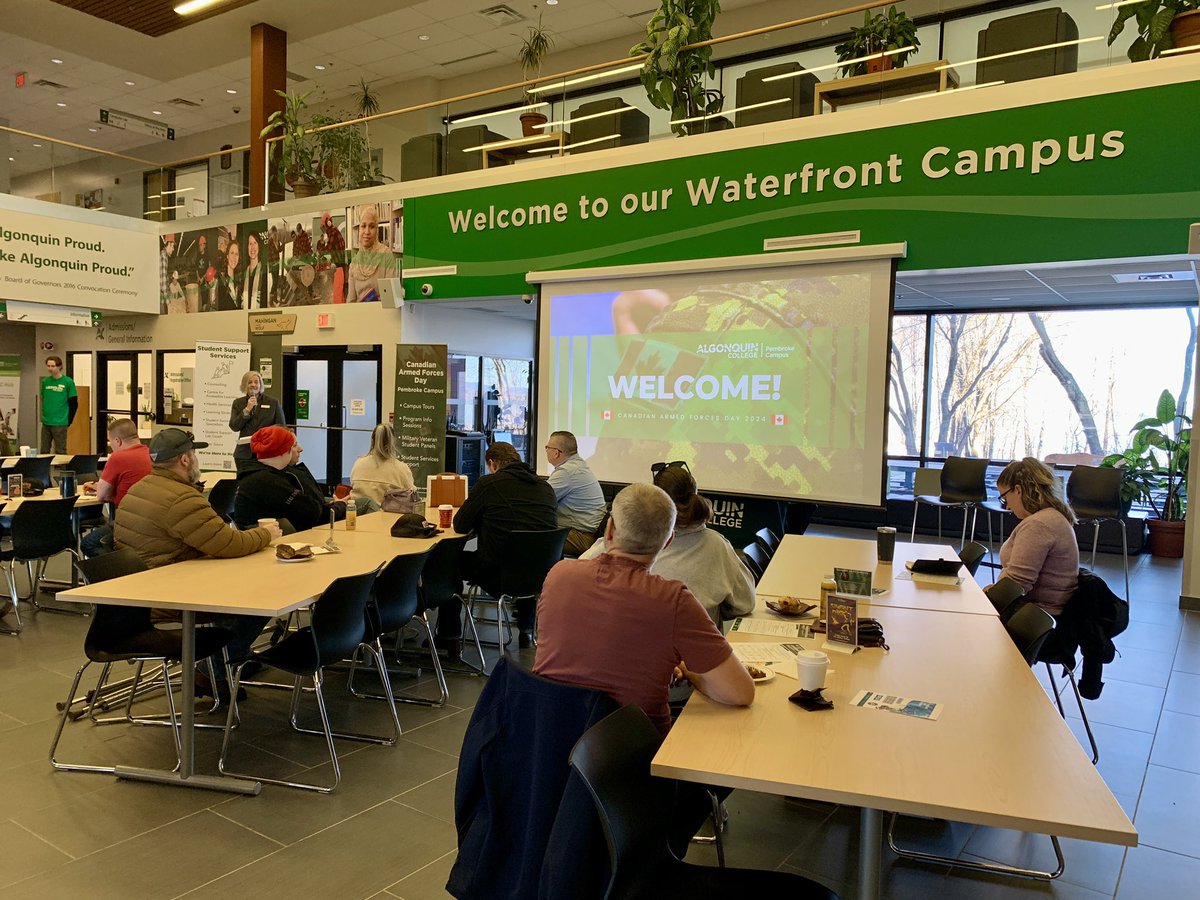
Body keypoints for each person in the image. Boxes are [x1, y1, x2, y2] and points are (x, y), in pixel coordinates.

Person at [535, 483, 753, 855]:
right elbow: (739, 692)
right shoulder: (673, 600)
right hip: (637, 773)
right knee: (733, 739)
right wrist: (690, 670)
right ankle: (663, 848)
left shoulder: (558, 576)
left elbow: (584, 653)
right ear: (667, 543)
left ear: (608, 532)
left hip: (548, 752)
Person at [115, 428, 281, 698]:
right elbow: (228, 543)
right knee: (258, 601)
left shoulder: (138, 489)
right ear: (184, 460)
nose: (196, 459)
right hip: (169, 596)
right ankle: (213, 669)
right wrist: (266, 534)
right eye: (194, 454)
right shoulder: (183, 498)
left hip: (140, 591)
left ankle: (226, 660)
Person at [582, 464, 754, 626]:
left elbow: (580, 577)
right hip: (694, 651)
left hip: (624, 644)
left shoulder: (625, 540)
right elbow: (745, 603)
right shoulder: (717, 546)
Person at [450, 441, 556, 650]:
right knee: (527, 554)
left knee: (449, 562)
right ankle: (526, 630)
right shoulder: (545, 487)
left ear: (492, 463)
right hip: (541, 575)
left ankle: (449, 634)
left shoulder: (488, 484)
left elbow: (460, 525)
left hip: (497, 574)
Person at [993, 457, 1080, 615]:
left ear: (1018, 490)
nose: (1007, 505)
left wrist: (985, 598)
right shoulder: (1052, 516)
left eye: (1004, 498)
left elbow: (1017, 583)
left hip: (1033, 614)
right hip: (1040, 611)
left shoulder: (1038, 525)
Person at [234, 425, 345, 532]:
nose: (300, 449)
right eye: (294, 445)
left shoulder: (260, 474)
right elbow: (312, 511)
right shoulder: (268, 480)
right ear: (284, 450)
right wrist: (341, 505)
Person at [80, 417, 151, 557]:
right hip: (152, 519)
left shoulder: (118, 457)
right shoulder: (151, 454)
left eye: (110, 441)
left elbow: (101, 496)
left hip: (131, 521)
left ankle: (118, 571)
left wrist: (107, 491)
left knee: (89, 543)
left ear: (117, 441)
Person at [545, 430, 607, 556]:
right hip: (585, 534)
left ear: (556, 452)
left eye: (547, 447)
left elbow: (540, 500)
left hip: (580, 537)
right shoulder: (576, 466)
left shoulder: (567, 472)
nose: (546, 450)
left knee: (531, 533)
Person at [228, 371, 286, 473]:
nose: (253, 385)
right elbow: (234, 426)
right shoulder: (238, 403)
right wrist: (246, 410)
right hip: (244, 454)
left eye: (256, 382)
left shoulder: (273, 403)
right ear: (245, 385)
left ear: (260, 385)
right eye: (250, 382)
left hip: (266, 454)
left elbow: (281, 428)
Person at [349, 423, 415, 512]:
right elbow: (412, 496)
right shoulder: (401, 468)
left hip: (355, 517)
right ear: (393, 442)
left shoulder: (358, 463)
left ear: (372, 441)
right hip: (385, 520)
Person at [345, 204, 398, 303]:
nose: (367, 231)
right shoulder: (354, 263)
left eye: (372, 226)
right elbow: (351, 302)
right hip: (360, 316)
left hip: (382, 315)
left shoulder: (386, 256)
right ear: (359, 229)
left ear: (377, 230)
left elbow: (392, 300)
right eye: (363, 226)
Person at [40, 356, 77, 454]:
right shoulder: (45, 381)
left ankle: (63, 469)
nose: (50, 368)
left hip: (60, 421)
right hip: (46, 421)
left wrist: (69, 419)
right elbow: (43, 399)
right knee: (44, 450)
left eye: (53, 366)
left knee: (60, 450)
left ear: (59, 366)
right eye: (48, 366)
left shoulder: (67, 382)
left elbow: (74, 403)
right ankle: (43, 469)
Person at [240, 231, 268, 309]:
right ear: (247, 247)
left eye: (255, 243)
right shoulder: (243, 275)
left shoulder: (264, 272)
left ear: (259, 246)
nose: (252, 247)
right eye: (250, 244)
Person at [215, 237, 243, 311]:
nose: (234, 257)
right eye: (232, 253)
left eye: (236, 254)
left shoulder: (239, 279)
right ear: (227, 256)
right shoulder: (220, 280)